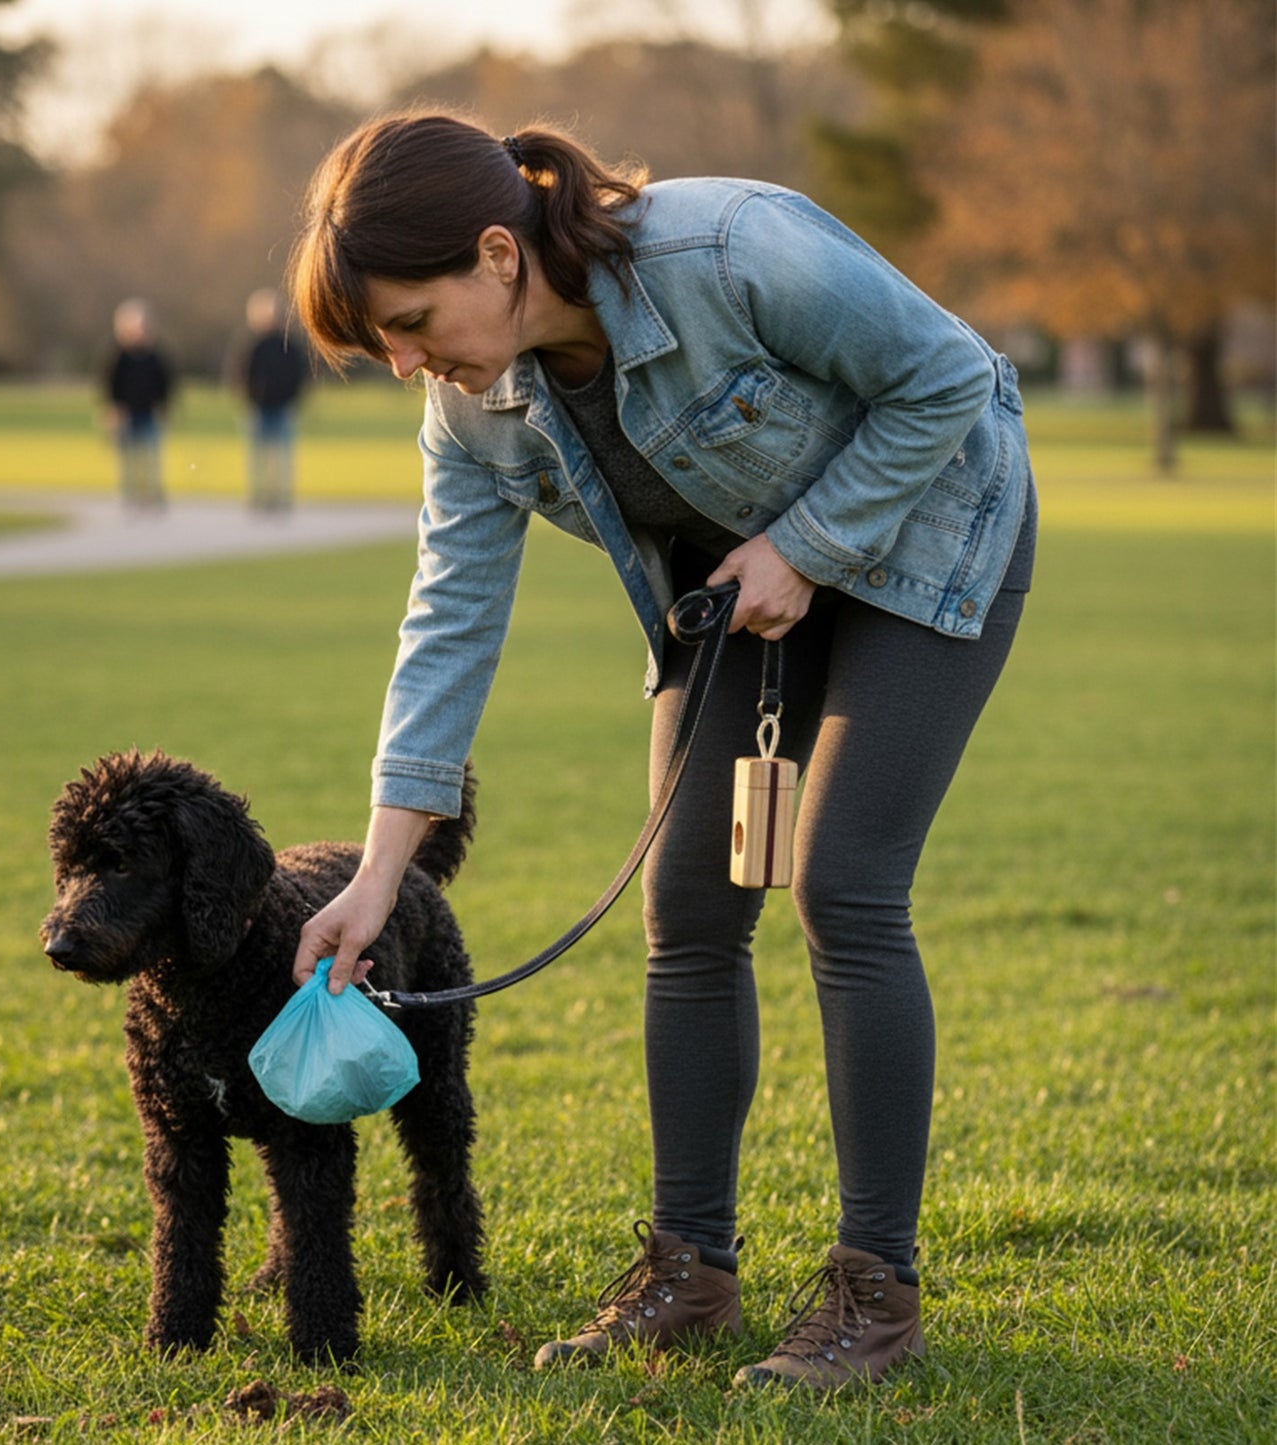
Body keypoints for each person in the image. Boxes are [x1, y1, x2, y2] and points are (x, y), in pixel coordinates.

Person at [287, 112, 1037, 1392]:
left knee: (846, 884)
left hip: (928, 530)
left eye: (410, 323)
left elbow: (946, 374)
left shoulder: (729, 247)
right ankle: (689, 1268)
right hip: (735, 583)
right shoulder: (472, 417)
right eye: (384, 348)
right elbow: (447, 627)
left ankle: (876, 1290)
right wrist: (375, 876)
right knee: (687, 904)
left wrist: (807, 548)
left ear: (495, 253)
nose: (410, 364)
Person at [239, 287, 311, 511]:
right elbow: (243, 374)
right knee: (257, 459)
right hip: (259, 408)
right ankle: (259, 497)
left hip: (284, 408)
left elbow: (301, 374)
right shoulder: (254, 345)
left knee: (282, 459)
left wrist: (294, 400)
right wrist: (250, 398)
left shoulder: (290, 345)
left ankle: (281, 498)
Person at [104, 298, 174, 509]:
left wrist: (164, 406)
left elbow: (164, 382)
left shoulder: (155, 356)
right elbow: (110, 385)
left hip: (149, 413)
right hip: (127, 414)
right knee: (129, 459)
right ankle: (130, 495)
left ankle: (152, 494)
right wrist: (113, 411)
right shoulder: (119, 357)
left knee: (151, 457)